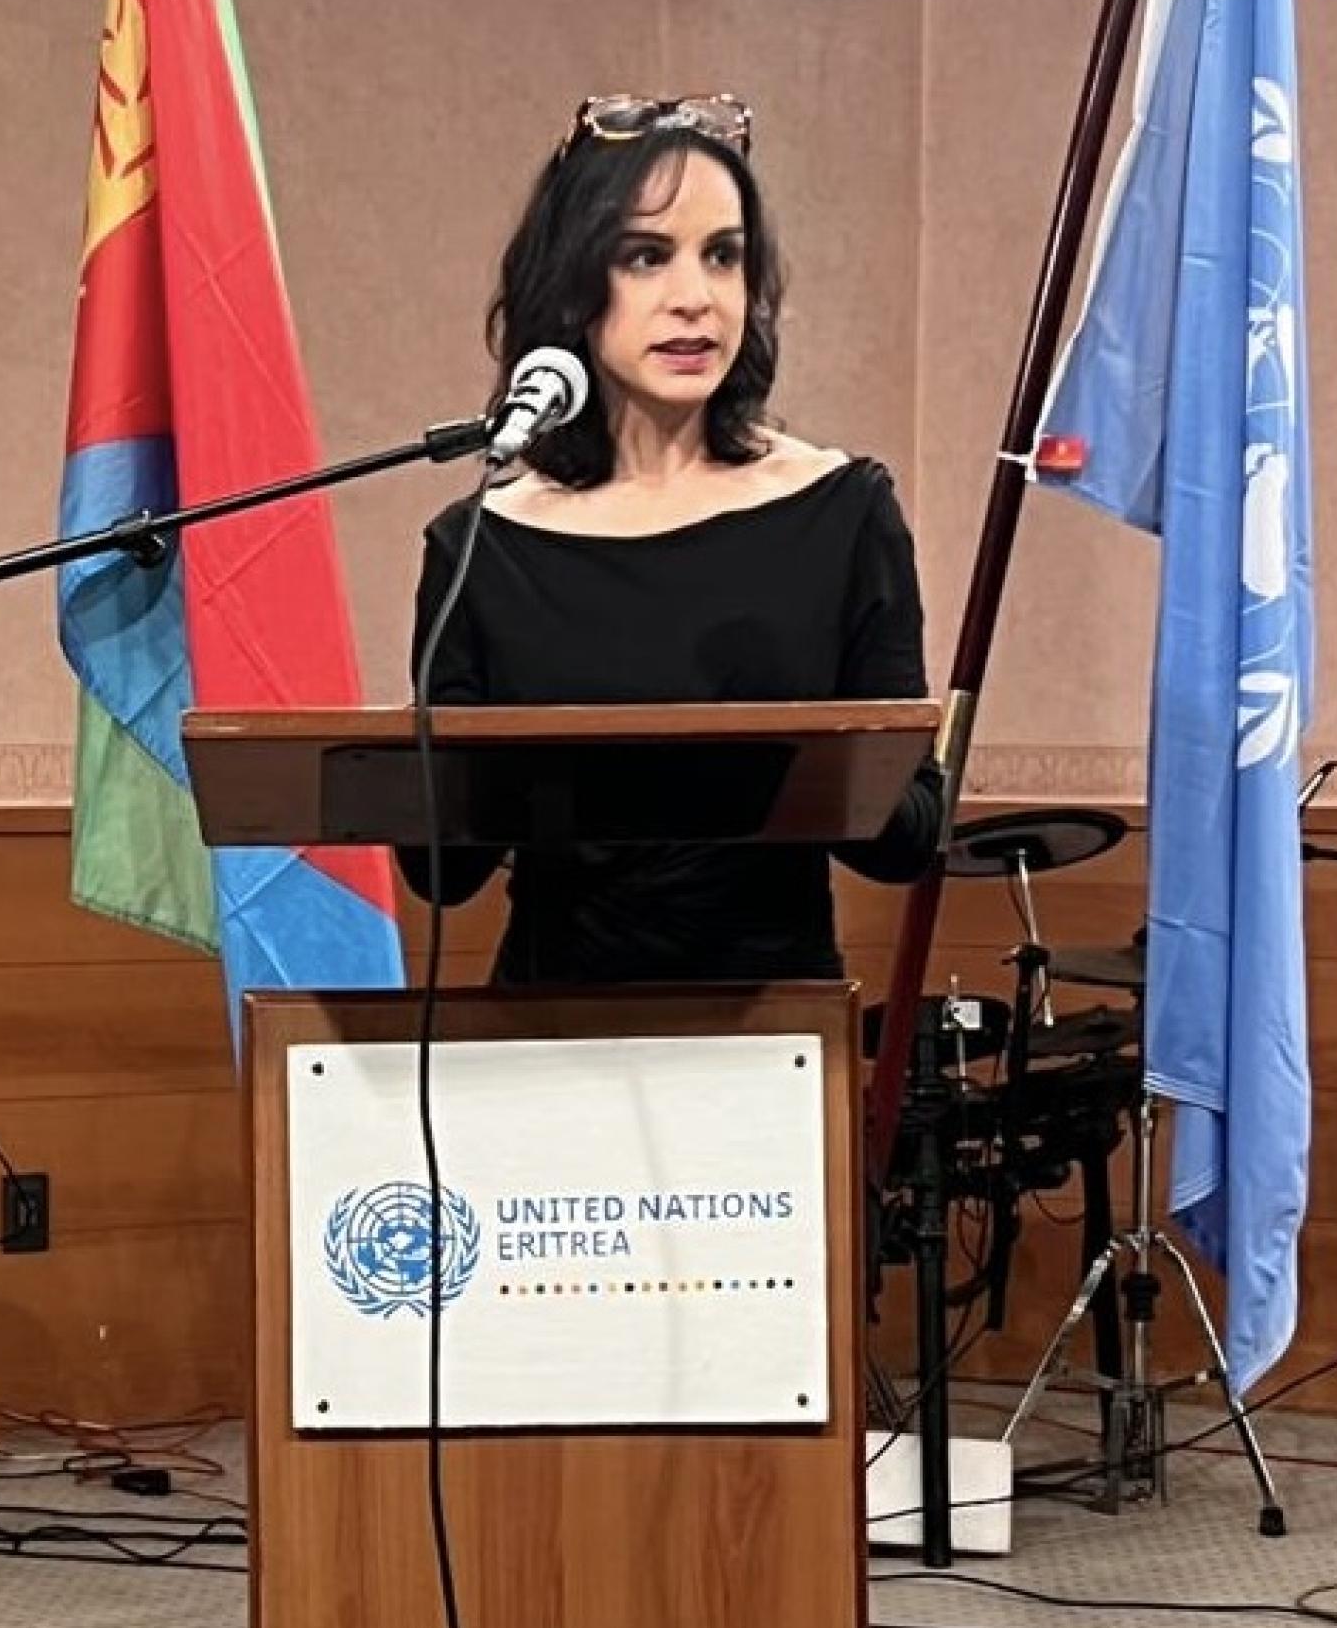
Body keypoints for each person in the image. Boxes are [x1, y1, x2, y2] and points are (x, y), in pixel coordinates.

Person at [400, 92, 942, 983]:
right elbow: (441, 874)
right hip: (549, 1028)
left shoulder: (843, 512)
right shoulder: (483, 547)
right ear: (572, 286)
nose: (695, 299)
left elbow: (911, 836)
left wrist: (788, 756)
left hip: (774, 1032)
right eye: (646, 257)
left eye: (723, 256)